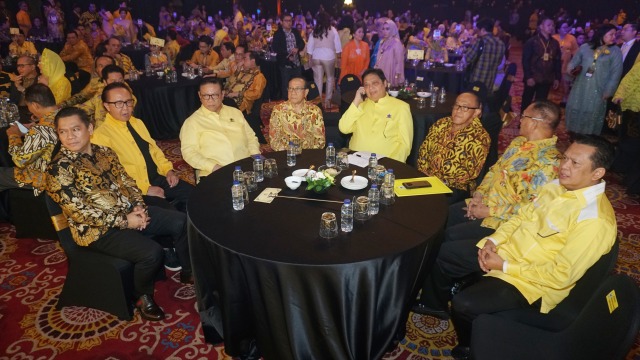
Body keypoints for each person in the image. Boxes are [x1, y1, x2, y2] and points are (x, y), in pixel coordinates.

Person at [412, 135, 616, 360]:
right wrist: (494, 241)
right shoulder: (557, 185)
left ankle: (471, 348)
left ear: (597, 173)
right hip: (506, 250)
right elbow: (521, 218)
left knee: (464, 304)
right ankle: (435, 304)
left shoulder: (594, 221)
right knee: (444, 254)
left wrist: (504, 266)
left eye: (575, 163)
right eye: (565, 158)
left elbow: (560, 276)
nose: (564, 166)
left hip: (531, 282)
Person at [45, 107, 189, 322]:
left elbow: (127, 182)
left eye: (76, 129)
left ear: (90, 128)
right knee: (151, 253)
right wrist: (125, 221)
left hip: (128, 212)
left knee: (181, 221)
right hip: (97, 231)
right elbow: (80, 213)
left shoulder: (105, 152)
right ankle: (142, 297)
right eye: (63, 132)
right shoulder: (59, 169)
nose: (70, 136)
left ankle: (188, 270)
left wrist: (138, 207)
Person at [444, 100, 561, 244]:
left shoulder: (550, 162)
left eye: (524, 116)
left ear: (534, 123)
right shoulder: (518, 142)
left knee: (450, 236)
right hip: (484, 202)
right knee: (443, 215)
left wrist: (488, 211)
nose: (520, 120)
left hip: (501, 220)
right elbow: (495, 170)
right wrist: (479, 195)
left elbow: (532, 207)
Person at [91, 83, 193, 212]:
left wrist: (168, 171)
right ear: (106, 106)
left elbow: (154, 150)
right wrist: (145, 189)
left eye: (128, 102)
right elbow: (111, 176)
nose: (126, 108)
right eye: (118, 103)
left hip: (158, 178)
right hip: (135, 190)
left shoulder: (137, 123)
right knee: (174, 218)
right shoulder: (100, 136)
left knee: (195, 196)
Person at [417, 91, 491, 204]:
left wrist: (437, 181)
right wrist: (424, 174)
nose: (458, 110)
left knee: (424, 203)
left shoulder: (480, 137)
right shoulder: (441, 123)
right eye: (457, 105)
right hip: (428, 179)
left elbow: (468, 173)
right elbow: (424, 152)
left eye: (465, 107)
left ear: (476, 112)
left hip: (455, 187)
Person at [180, 77, 260, 181]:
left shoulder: (235, 112)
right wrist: (213, 167)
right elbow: (189, 152)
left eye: (214, 95)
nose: (210, 100)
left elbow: (251, 137)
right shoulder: (192, 122)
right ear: (200, 96)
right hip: (214, 173)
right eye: (206, 96)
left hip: (245, 168)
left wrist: (255, 156)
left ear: (222, 94)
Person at [338, 68, 413, 162]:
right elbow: (343, 128)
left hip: (384, 166)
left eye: (375, 83)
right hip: (356, 161)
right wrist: (356, 101)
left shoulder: (401, 107)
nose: (370, 88)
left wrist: (392, 164)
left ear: (385, 83)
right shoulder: (360, 106)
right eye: (366, 85)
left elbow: (405, 145)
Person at [0, 84, 58, 195]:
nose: (30, 110)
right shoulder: (65, 116)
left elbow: (20, 161)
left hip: (42, 176)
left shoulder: (40, 130)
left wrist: (14, 135)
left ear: (35, 105)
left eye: (29, 106)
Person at [566, 24, 622, 135]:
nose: (614, 36)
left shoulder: (615, 51)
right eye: (611, 34)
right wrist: (571, 70)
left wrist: (608, 91)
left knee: (592, 112)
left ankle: (588, 137)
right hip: (580, 86)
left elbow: (616, 73)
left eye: (615, 34)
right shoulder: (585, 47)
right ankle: (574, 134)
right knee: (576, 107)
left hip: (598, 88)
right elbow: (574, 62)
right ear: (602, 34)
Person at [269, 77, 325, 151]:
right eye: (290, 88)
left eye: (297, 89)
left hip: (309, 155)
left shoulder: (314, 111)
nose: (293, 92)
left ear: (306, 92)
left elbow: (320, 140)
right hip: (286, 154)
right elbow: (274, 140)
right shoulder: (278, 110)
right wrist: (290, 153)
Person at [224, 51, 267, 142]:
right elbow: (229, 83)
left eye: (245, 58)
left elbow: (257, 94)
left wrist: (239, 94)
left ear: (253, 61)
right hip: (230, 97)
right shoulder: (243, 72)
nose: (242, 60)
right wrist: (238, 70)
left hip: (243, 103)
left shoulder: (259, 77)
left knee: (226, 103)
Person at [521, 17, 561, 111]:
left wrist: (557, 78)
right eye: (548, 25)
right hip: (533, 76)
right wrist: (528, 76)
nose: (551, 27)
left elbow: (557, 61)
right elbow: (525, 60)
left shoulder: (555, 43)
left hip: (547, 77)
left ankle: (536, 123)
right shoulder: (532, 41)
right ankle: (523, 121)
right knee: (527, 101)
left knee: (540, 103)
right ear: (541, 26)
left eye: (552, 25)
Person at [307, 12, 342, 110]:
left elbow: (310, 46)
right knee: (330, 78)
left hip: (316, 56)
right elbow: (338, 46)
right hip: (328, 57)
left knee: (317, 80)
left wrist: (309, 59)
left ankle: (318, 102)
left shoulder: (314, 31)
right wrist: (339, 58)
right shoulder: (333, 30)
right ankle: (327, 101)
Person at [464, 18, 506, 93]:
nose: (477, 32)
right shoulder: (501, 44)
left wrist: (471, 45)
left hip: (477, 80)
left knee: (474, 100)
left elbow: (468, 58)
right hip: (490, 81)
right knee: (483, 100)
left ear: (483, 30)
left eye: (478, 30)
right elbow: (499, 63)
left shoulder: (480, 42)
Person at [272, 14, 305, 100]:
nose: (289, 23)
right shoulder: (278, 33)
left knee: (298, 83)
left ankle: (298, 101)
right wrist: (287, 54)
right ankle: (286, 104)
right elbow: (275, 47)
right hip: (285, 64)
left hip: (296, 63)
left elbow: (302, 43)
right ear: (281, 22)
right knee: (286, 85)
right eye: (286, 21)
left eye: (290, 20)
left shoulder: (295, 31)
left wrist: (297, 48)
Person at [552, 22, 579, 105]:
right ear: (558, 29)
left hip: (566, 64)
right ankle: (551, 100)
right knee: (553, 83)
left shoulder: (571, 38)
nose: (566, 29)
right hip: (554, 65)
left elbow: (575, 51)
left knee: (565, 83)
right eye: (564, 27)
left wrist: (575, 62)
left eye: (567, 27)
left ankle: (564, 99)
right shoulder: (553, 38)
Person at [373, 19, 405, 88]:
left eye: (387, 29)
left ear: (392, 29)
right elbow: (379, 57)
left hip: (391, 72)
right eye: (383, 29)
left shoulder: (396, 43)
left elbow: (399, 61)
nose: (385, 31)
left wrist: (397, 76)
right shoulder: (383, 42)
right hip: (381, 71)